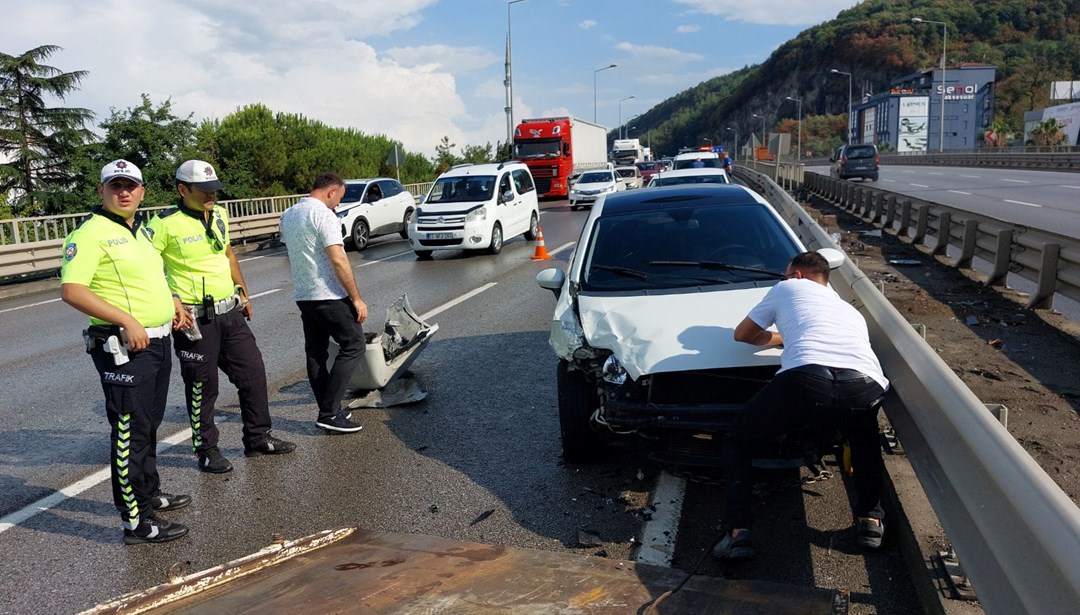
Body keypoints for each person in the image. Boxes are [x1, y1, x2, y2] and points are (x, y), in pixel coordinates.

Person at [714, 251, 889, 560]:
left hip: (808, 377)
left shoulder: (788, 288)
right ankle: (870, 521)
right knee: (864, 441)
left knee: (738, 441)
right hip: (864, 382)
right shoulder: (848, 309)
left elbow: (743, 334)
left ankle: (737, 532)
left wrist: (778, 337)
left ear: (796, 275)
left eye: (784, 275)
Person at [61, 160, 193, 544]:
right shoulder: (90, 234)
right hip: (124, 348)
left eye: (130, 186)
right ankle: (136, 522)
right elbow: (73, 290)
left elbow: (150, 277)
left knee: (148, 426)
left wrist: (173, 301)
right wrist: (126, 319)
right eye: (115, 186)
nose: (124, 192)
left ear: (142, 191)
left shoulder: (140, 231)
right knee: (129, 434)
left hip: (158, 342)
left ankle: (150, 495)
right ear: (101, 191)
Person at [147, 160, 296, 473]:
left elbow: (227, 254)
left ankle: (257, 438)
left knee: (253, 373)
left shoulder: (219, 214)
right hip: (195, 320)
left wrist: (243, 290)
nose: (211, 196)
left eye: (214, 189)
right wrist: (172, 299)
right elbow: (147, 268)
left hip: (230, 311)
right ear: (182, 189)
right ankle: (207, 450)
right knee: (204, 387)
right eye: (204, 191)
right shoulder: (164, 224)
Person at [279, 172, 369, 433]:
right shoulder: (324, 215)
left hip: (304, 295)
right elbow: (338, 259)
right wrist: (356, 298)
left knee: (316, 353)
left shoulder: (290, 214)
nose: (338, 205)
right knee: (353, 344)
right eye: (338, 199)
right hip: (327, 294)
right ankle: (329, 412)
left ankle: (328, 410)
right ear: (331, 191)